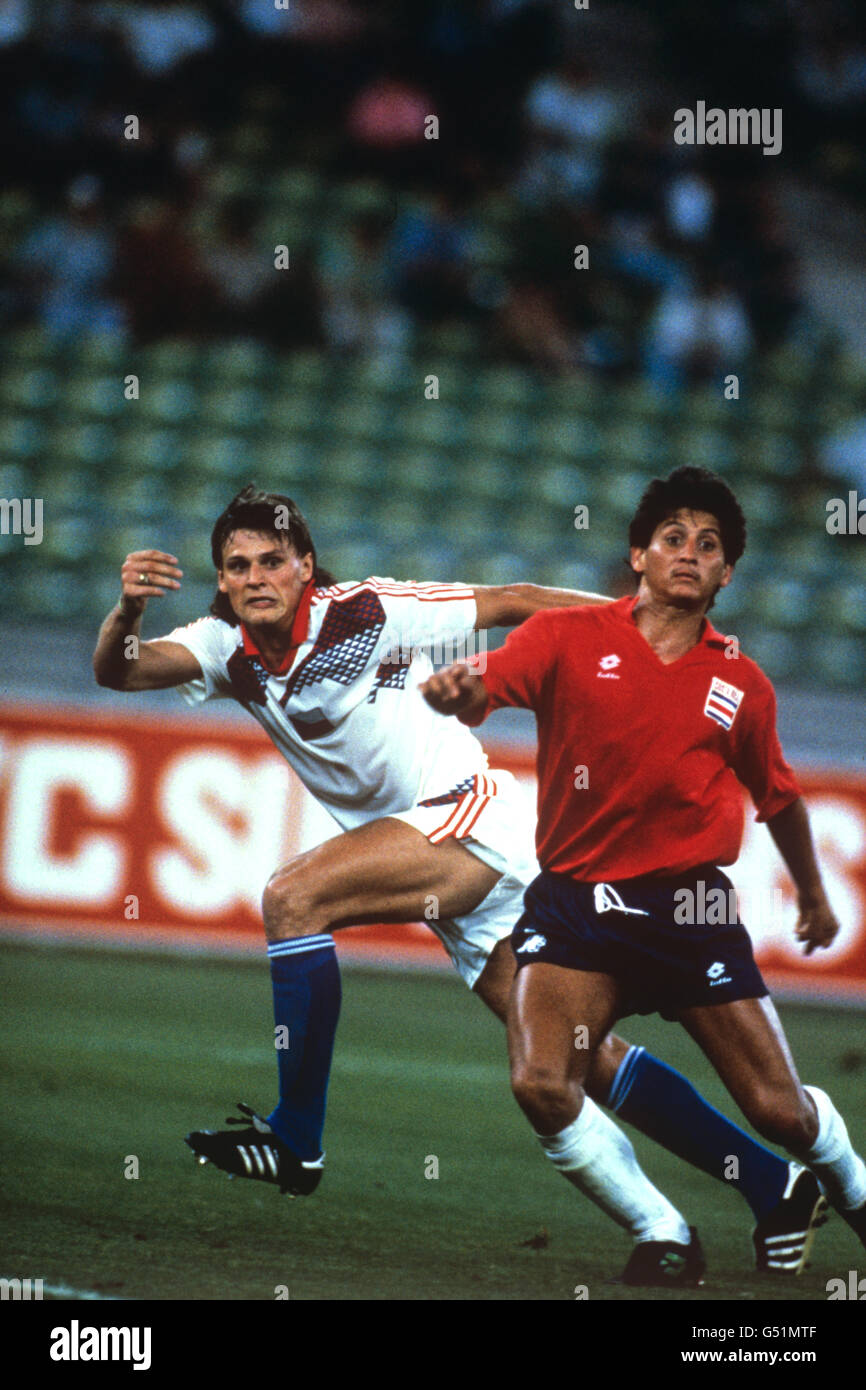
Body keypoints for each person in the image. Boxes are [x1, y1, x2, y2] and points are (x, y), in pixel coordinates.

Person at [94, 483, 824, 1286]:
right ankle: (758, 1186)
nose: (258, 576)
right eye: (239, 566)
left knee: (292, 897)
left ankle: (296, 1137)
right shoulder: (223, 647)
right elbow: (119, 673)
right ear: (224, 581)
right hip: (447, 870)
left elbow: (513, 600)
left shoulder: (368, 612)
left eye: (275, 560)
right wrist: (126, 613)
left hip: (470, 824)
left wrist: (640, 622)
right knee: (578, 1064)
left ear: (306, 566)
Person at [422, 464, 866, 1267]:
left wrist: (811, 893)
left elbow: (779, 797)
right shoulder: (567, 638)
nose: (689, 554)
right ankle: (665, 1234)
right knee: (542, 1082)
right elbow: (489, 681)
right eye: (673, 539)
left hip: (690, 914)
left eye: (709, 545)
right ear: (638, 556)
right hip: (575, 910)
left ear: (728, 572)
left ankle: (845, 1184)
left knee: (778, 1112)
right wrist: (460, 688)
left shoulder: (741, 684)